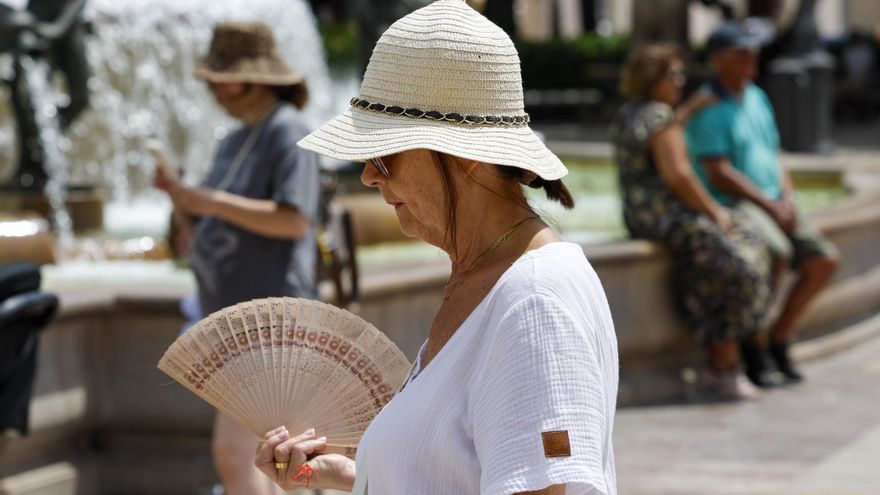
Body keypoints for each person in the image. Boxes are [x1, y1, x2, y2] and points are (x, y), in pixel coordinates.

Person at [254, 1, 619, 493]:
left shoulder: (533, 300)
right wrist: (357, 475)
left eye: (385, 155)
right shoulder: (490, 276)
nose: (367, 174)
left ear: (465, 155)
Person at [153, 21, 321, 495]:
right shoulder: (233, 139)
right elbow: (209, 231)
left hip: (274, 318)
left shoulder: (287, 129)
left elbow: (293, 220)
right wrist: (180, 199)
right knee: (275, 464)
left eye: (222, 77)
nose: (215, 89)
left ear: (256, 77)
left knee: (238, 456)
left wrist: (206, 201)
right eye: (213, 78)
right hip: (235, 323)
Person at [610, 43, 774, 398]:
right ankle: (726, 364)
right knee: (736, 263)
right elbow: (680, 176)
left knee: (732, 248)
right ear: (654, 78)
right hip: (668, 215)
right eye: (674, 74)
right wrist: (715, 212)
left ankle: (734, 358)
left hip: (641, 215)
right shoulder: (659, 116)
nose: (681, 79)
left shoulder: (630, 113)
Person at [685, 21, 839, 383]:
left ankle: (778, 337)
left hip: (773, 200)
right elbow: (719, 173)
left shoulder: (756, 95)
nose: (752, 58)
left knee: (824, 259)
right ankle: (754, 348)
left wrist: (787, 196)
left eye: (753, 50)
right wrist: (771, 207)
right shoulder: (708, 105)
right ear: (718, 60)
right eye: (742, 52)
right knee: (778, 252)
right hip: (738, 202)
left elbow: (773, 155)